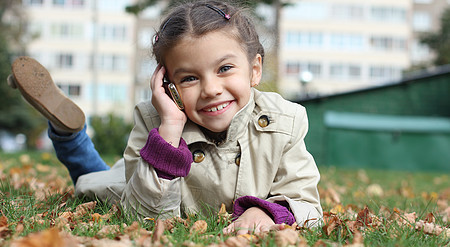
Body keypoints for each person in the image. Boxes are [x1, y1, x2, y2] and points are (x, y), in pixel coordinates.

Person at [8, 1, 322, 235]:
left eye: (225, 69)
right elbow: (142, 216)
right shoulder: (155, 119)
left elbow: (305, 200)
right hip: (139, 179)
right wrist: (170, 128)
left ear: (254, 70)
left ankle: (71, 132)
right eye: (189, 79)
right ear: (166, 84)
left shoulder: (284, 121)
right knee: (91, 181)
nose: (211, 90)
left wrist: (268, 213)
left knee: (99, 175)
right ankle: (69, 133)